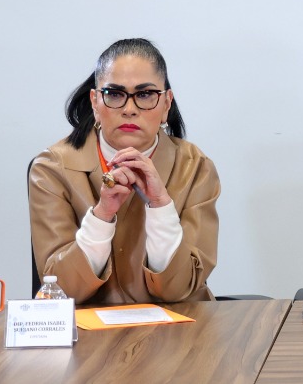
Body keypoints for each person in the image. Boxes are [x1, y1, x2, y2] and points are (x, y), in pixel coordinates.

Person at [29, 38, 220, 304]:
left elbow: (180, 288)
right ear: (95, 102)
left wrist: (161, 205)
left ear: (166, 104)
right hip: (90, 329)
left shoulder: (195, 167)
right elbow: (60, 292)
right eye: (115, 94)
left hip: (180, 325)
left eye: (145, 94)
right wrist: (102, 215)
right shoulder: (52, 168)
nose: (129, 110)